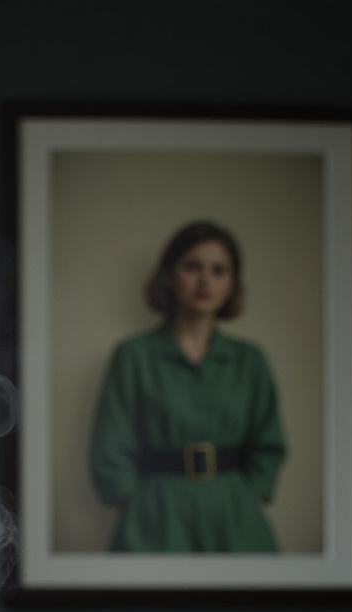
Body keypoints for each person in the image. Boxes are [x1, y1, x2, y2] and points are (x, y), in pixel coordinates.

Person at [89, 220, 286, 552]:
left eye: (219, 270)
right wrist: (132, 502)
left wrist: (250, 495)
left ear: (232, 285)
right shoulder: (133, 356)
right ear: (169, 275)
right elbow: (110, 444)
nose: (205, 280)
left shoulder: (250, 361)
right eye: (193, 267)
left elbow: (269, 443)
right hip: (156, 515)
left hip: (234, 516)